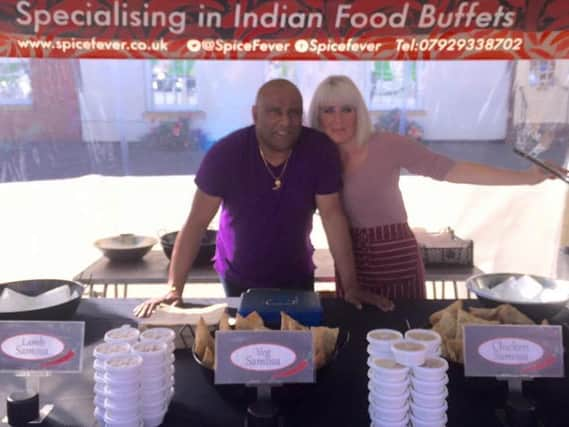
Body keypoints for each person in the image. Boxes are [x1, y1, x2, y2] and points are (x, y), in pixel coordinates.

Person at [134, 78, 393, 317]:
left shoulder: (319, 150)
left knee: (298, 350)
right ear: (255, 114)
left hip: (296, 272)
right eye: (275, 112)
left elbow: (333, 215)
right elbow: (195, 224)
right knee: (246, 348)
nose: (286, 121)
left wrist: (351, 285)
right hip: (238, 275)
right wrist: (174, 288)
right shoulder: (226, 154)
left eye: (293, 113)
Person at [308, 75, 566, 300]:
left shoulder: (388, 145)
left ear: (359, 112)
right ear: (317, 115)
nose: (338, 119)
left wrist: (527, 177)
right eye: (328, 110)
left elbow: (453, 169)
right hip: (349, 262)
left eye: (347, 109)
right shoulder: (315, 157)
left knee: (409, 337)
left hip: (396, 260)